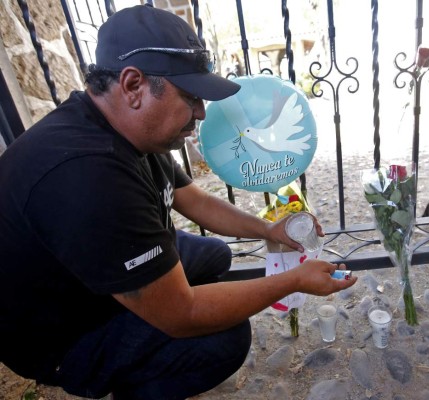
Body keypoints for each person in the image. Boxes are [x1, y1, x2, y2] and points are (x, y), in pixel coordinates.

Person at [0, 5, 357, 400]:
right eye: (191, 97)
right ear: (134, 86)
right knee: (225, 339)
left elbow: (195, 200)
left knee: (216, 256)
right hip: (62, 334)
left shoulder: (126, 126)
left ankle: (145, 312)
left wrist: (267, 229)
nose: (202, 112)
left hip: (93, 277)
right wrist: (292, 281)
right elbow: (182, 315)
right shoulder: (88, 175)